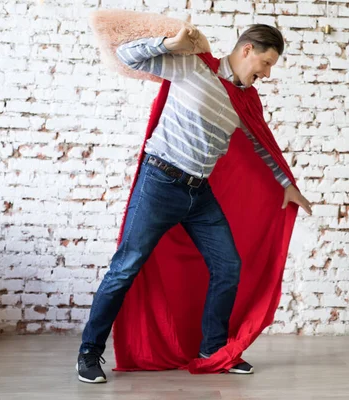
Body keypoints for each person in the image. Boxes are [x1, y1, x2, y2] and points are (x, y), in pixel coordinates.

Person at [76, 24, 312, 384]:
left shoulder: (245, 98)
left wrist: (286, 183)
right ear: (246, 50)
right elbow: (125, 56)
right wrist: (169, 43)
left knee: (228, 266)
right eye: (265, 63)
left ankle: (212, 348)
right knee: (125, 268)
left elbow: (260, 141)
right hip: (159, 183)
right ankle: (89, 353)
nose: (266, 73)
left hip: (198, 193)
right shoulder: (192, 66)